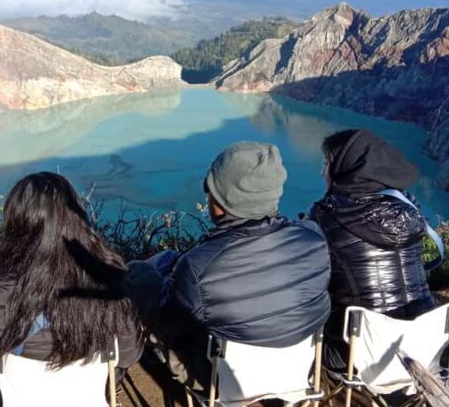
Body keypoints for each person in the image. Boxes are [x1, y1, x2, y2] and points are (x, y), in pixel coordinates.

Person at [131, 141, 331, 389]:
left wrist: (143, 278)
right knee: (168, 262)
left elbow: (170, 326)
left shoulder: (200, 266)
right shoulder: (314, 240)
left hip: (223, 381)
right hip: (297, 372)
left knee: (141, 275)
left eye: (211, 188)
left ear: (223, 201)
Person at [0, 172, 146, 373]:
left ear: (15, 221)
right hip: (90, 396)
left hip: (15, 397)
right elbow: (129, 354)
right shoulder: (111, 280)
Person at [310, 129, 438, 369]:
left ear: (345, 167)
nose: (322, 171)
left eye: (327, 163)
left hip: (356, 351)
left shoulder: (326, 214)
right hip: (423, 342)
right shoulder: (409, 205)